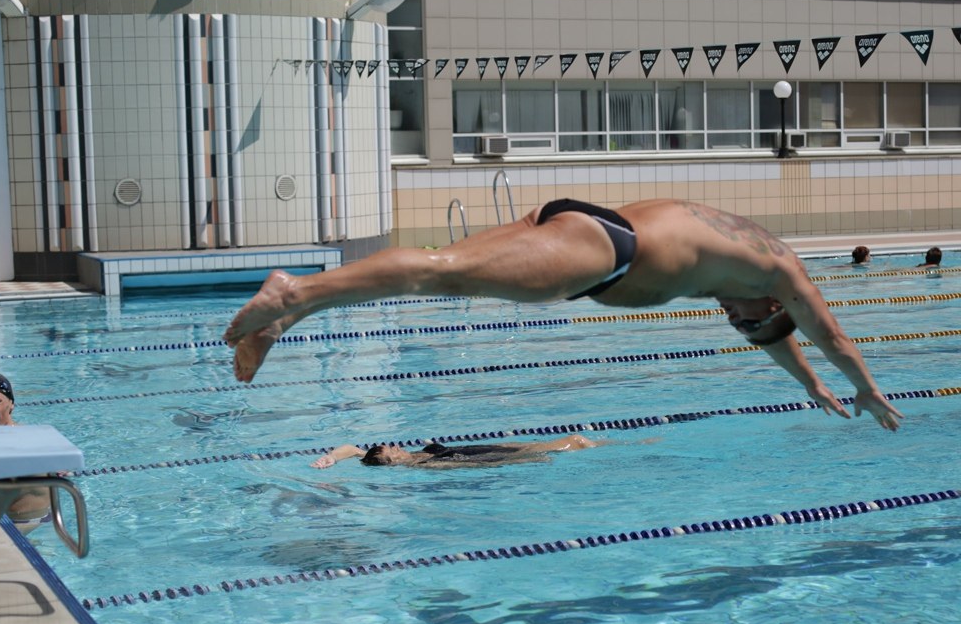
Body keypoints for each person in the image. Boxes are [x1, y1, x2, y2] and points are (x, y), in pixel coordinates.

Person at [225, 199, 903, 431]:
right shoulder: (780, 270)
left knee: (444, 273)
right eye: (746, 318)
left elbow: (778, 337)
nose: (736, 316)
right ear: (775, 304)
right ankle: (294, 292)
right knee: (443, 273)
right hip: (604, 251)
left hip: (584, 224)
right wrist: (863, 386)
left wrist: (808, 382)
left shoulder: (747, 264)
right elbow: (829, 334)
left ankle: (285, 321)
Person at [0, 373, 53, 531]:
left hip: (29, 523)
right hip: (11, 519)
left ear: (11, 404)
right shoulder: (2, 436)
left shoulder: (18, 443)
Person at [311, 433, 600, 469]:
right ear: (390, 461)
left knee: (572, 440)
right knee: (572, 440)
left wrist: (331, 458)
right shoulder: (422, 466)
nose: (397, 446)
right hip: (481, 457)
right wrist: (524, 460)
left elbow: (351, 449)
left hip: (472, 447)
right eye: (393, 449)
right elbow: (469, 467)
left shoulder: (417, 455)